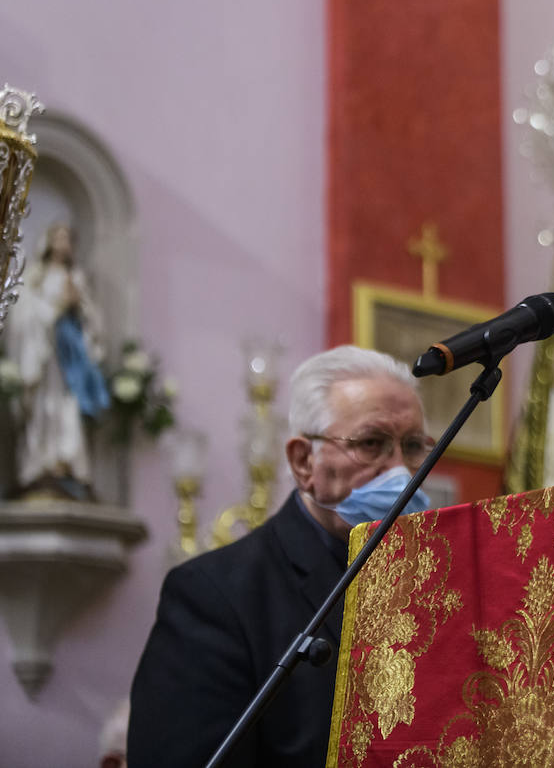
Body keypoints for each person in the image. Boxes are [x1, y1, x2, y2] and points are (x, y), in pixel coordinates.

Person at [127, 346, 434, 767]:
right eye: (372, 443)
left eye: (415, 446)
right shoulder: (213, 597)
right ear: (304, 461)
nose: (401, 470)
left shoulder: (442, 580)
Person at [6, 222, 110, 499]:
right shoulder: (37, 276)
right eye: (59, 237)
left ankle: (66, 464)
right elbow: (23, 316)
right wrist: (55, 310)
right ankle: (38, 466)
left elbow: (93, 321)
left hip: (70, 360)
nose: (63, 243)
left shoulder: (75, 276)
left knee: (68, 407)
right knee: (43, 409)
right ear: (49, 241)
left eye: (67, 238)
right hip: (45, 357)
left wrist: (79, 307)